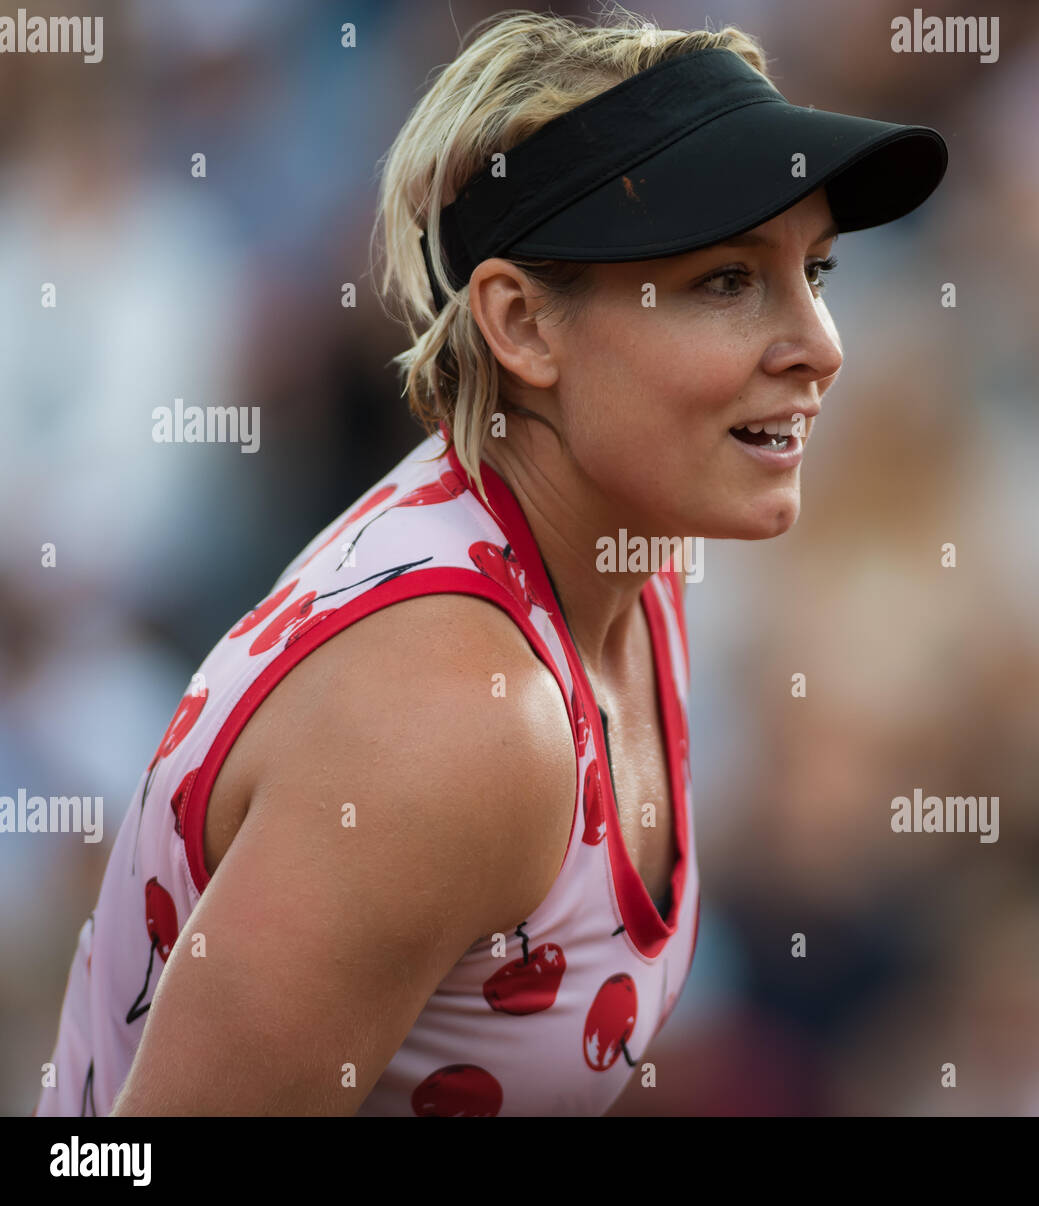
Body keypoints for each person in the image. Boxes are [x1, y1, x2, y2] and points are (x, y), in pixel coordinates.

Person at [35, 7, 946, 1116]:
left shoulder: (626, 551)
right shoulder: (455, 719)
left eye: (816, 271)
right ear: (520, 325)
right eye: (725, 281)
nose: (821, 344)